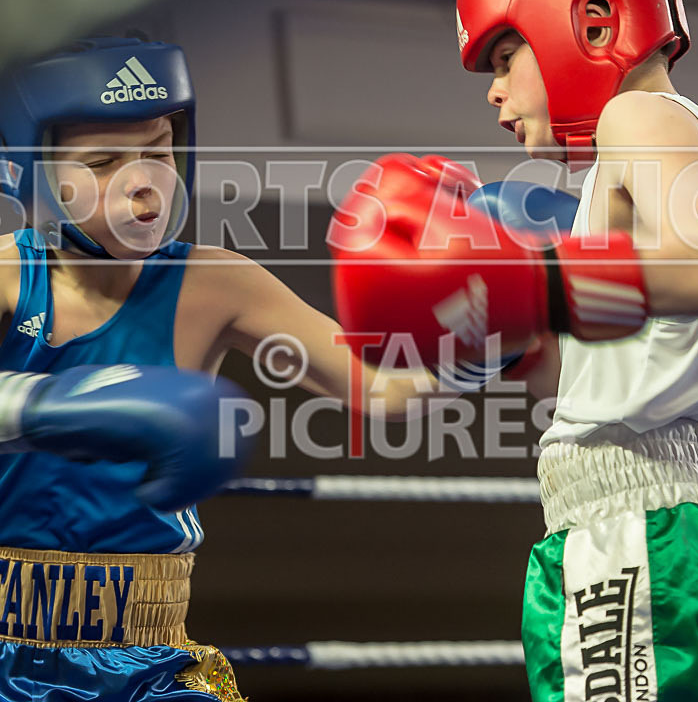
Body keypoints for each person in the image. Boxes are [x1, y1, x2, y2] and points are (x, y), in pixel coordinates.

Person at [332, 0, 698, 702]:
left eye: (503, 58)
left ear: (589, 22)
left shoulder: (635, 116)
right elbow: (641, 355)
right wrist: (509, 336)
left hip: (643, 535)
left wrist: (528, 280)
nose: (493, 92)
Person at [0, 38, 476, 699]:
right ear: (35, 171)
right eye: (104, 162)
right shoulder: (9, 274)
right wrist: (52, 408)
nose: (143, 183)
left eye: (158, 151)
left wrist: (493, 328)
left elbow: (384, 387)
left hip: (147, 661)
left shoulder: (212, 281)